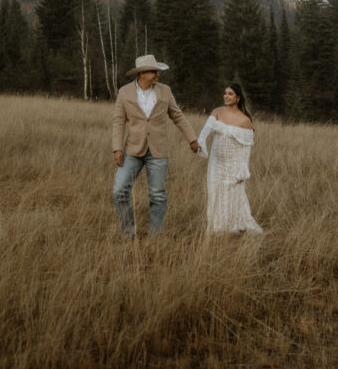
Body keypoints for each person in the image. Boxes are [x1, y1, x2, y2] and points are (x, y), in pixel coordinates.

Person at [112, 53, 200, 238]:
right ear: (142, 74)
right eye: (154, 71)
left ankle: (156, 238)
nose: (157, 75)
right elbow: (118, 121)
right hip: (133, 150)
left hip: (158, 151)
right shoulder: (124, 92)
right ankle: (128, 235)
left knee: (157, 195)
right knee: (119, 190)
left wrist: (192, 139)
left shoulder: (165, 91)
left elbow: (178, 116)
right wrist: (117, 148)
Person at [197, 82, 263, 235]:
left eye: (230, 94)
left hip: (234, 164)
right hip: (216, 163)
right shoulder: (217, 112)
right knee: (215, 193)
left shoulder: (245, 121)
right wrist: (199, 145)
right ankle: (216, 228)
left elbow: (246, 151)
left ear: (238, 98)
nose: (226, 96)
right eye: (225, 93)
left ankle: (234, 227)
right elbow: (204, 132)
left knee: (233, 196)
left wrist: (243, 171)